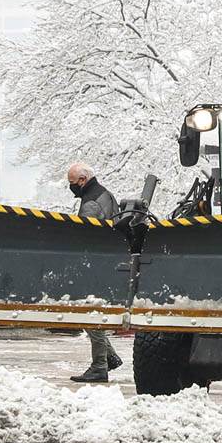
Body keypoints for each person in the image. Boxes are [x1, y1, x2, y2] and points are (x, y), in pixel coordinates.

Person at [67, 162, 123, 383]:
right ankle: (109, 357)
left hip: (95, 264)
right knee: (90, 311)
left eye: (71, 183)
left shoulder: (91, 203)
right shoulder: (105, 194)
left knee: (89, 312)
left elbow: (86, 235)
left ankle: (100, 365)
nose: (70, 187)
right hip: (109, 259)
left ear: (82, 180)